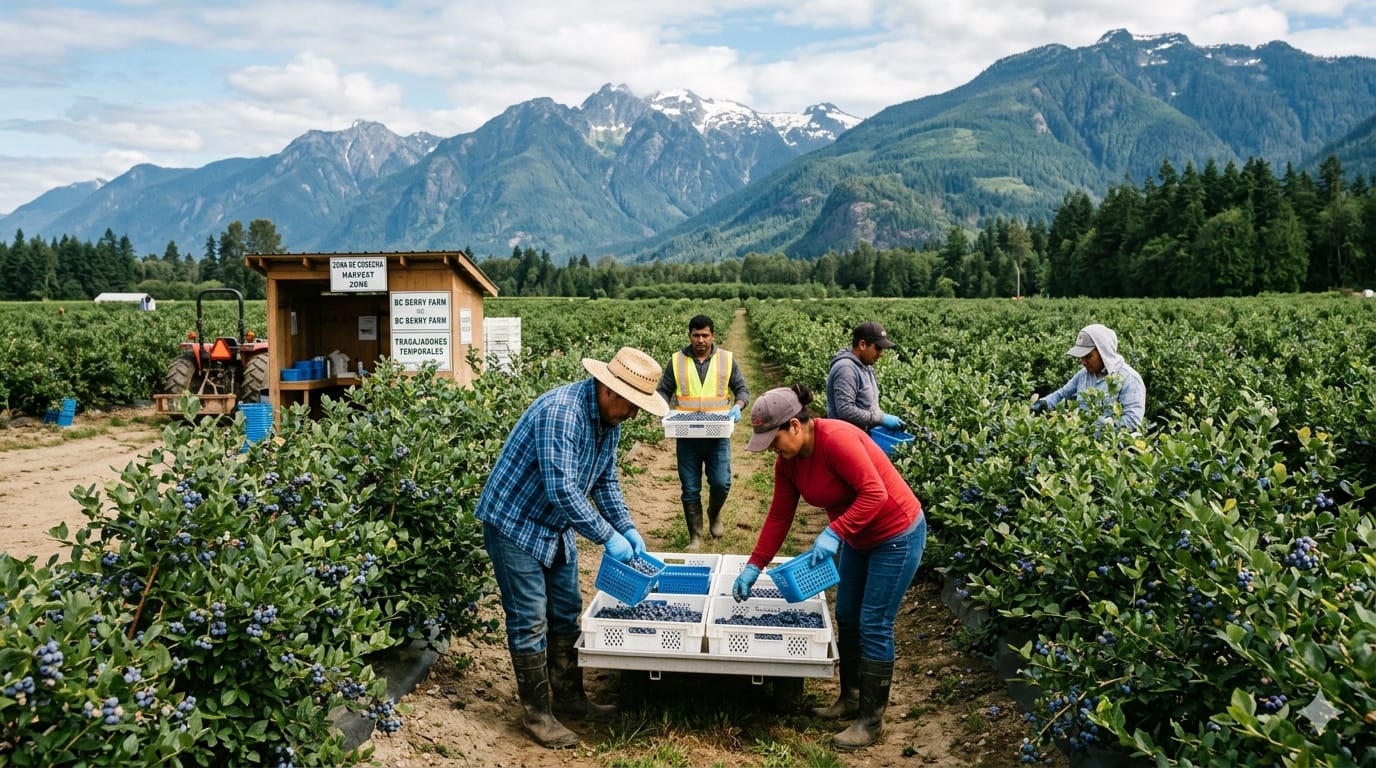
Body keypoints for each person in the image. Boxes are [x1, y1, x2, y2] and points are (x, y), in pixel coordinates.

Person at [475, 346, 669, 749]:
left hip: (555, 526)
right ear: (609, 390)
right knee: (530, 621)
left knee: (565, 612)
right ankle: (538, 715)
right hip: (515, 523)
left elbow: (605, 482)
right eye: (632, 405)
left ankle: (569, 697)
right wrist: (606, 536)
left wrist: (626, 526)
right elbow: (561, 488)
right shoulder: (561, 412)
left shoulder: (608, 423)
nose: (634, 415)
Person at [734, 384, 926, 751]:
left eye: (773, 441)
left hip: (896, 534)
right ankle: (851, 697)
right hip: (857, 537)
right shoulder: (788, 463)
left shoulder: (837, 439)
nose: (772, 450)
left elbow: (875, 493)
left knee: (874, 622)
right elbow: (779, 515)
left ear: (794, 425)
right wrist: (754, 565)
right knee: (847, 614)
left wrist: (834, 532)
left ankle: (871, 720)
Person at [657, 314, 750, 550]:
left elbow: (742, 389)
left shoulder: (726, 360)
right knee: (690, 488)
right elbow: (664, 391)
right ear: (689, 335)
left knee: (721, 483)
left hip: (717, 434)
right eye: (696, 335)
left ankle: (714, 512)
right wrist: (662, 408)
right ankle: (695, 536)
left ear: (713, 336)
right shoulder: (676, 361)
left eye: (705, 335)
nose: (700, 340)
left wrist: (738, 406)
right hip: (687, 435)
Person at [1032, 323, 1146, 430]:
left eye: (1088, 356)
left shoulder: (1130, 379)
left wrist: (1095, 423)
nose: (1083, 362)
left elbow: (1132, 421)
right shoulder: (1083, 375)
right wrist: (1044, 403)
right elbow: (1062, 394)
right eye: (1081, 357)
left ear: (1103, 352)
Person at [826, 321, 904, 433]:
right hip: (845, 438)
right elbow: (845, 410)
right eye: (878, 348)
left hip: (861, 436)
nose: (881, 354)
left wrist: (880, 419)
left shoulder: (866, 366)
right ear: (862, 345)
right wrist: (881, 419)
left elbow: (868, 405)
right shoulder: (846, 369)